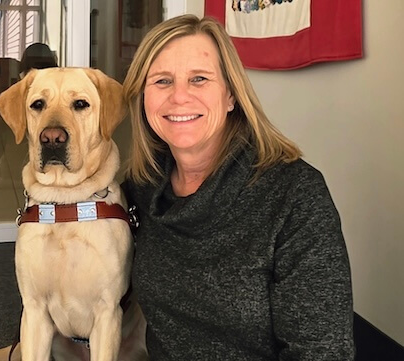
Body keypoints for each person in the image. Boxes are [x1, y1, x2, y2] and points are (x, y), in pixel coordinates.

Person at [121, 14, 354, 360]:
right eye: (162, 81)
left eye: (199, 79)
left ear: (231, 96)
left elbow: (322, 351)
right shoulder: (142, 187)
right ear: (144, 98)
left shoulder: (295, 195)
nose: (179, 97)